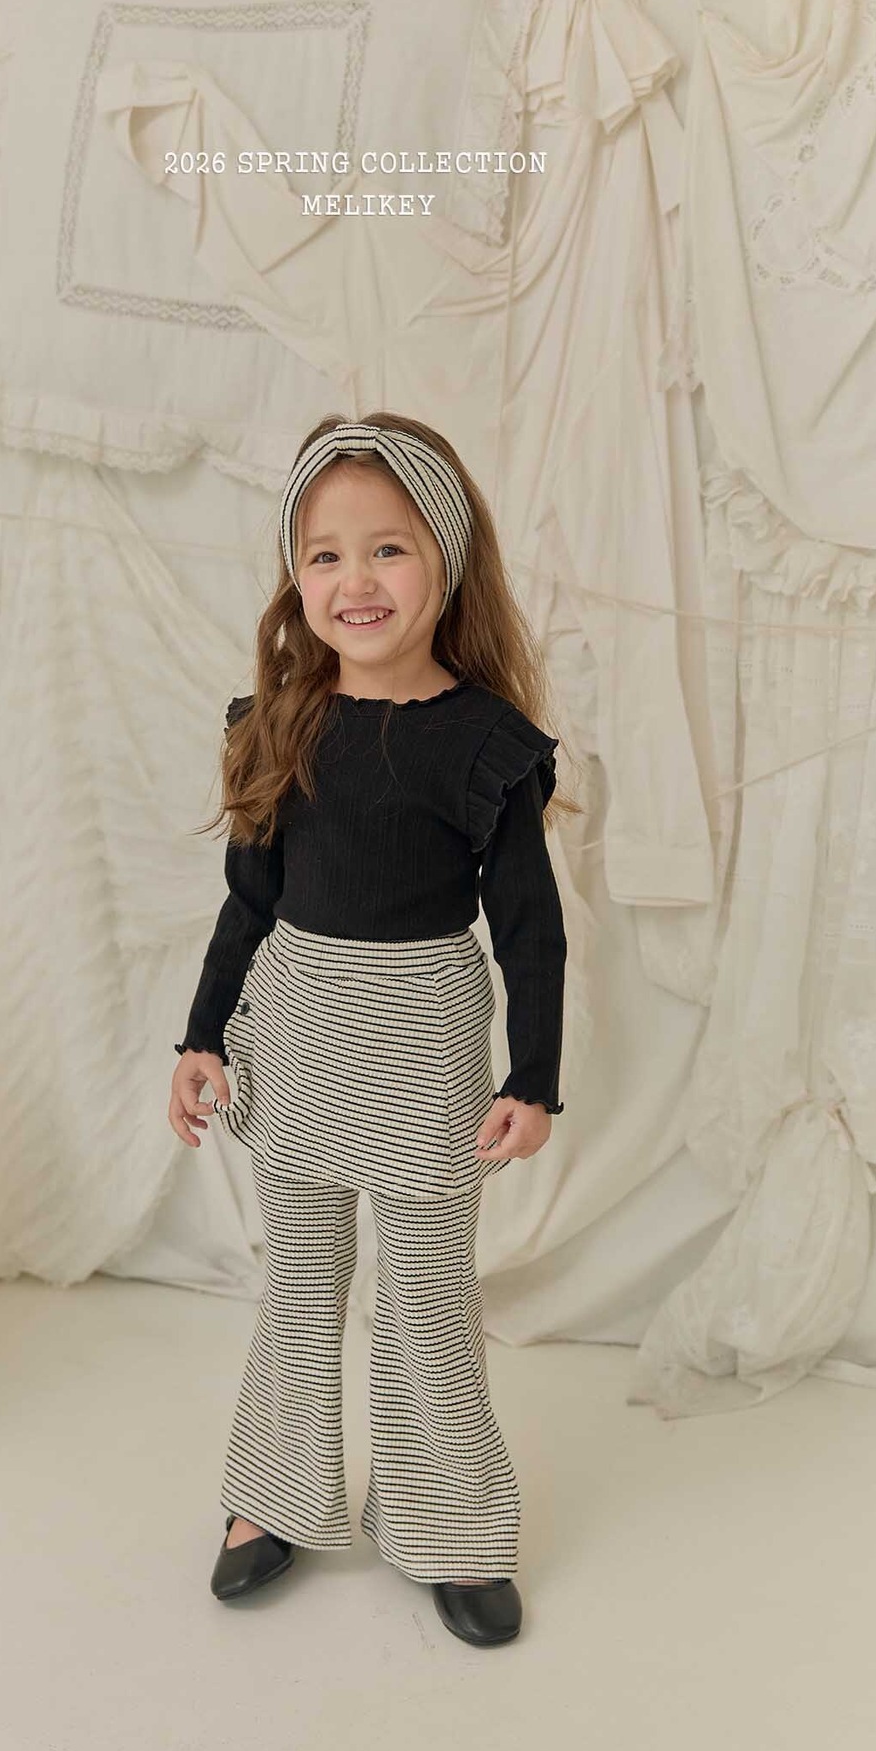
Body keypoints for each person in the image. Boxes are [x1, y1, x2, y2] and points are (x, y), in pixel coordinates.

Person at [168, 411, 576, 1648]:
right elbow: (246, 906)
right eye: (326, 553)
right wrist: (200, 1041)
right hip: (295, 1028)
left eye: (388, 548)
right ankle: (272, 1497)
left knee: (425, 1295)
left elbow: (530, 930)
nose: (356, 580)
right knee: (296, 1284)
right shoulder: (275, 721)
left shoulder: (485, 745)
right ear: (296, 575)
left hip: (420, 1039)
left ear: (446, 563)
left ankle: (448, 1525)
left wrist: (534, 1079)